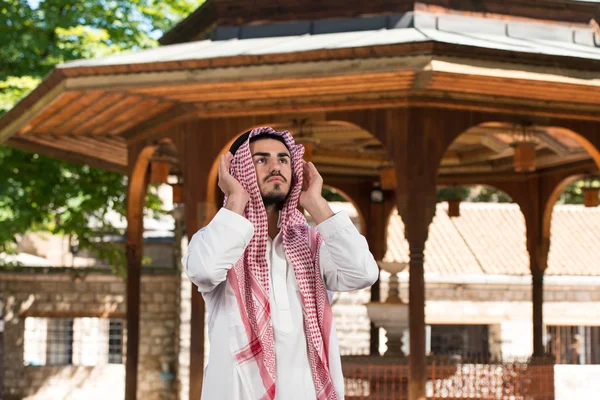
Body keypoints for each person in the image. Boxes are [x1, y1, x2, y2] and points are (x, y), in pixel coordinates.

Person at [182, 126, 379, 400]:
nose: (276, 167)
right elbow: (204, 271)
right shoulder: (218, 240)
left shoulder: (315, 245)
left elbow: (363, 273)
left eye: (283, 160)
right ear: (239, 172)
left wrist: (316, 203)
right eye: (261, 160)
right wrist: (237, 199)